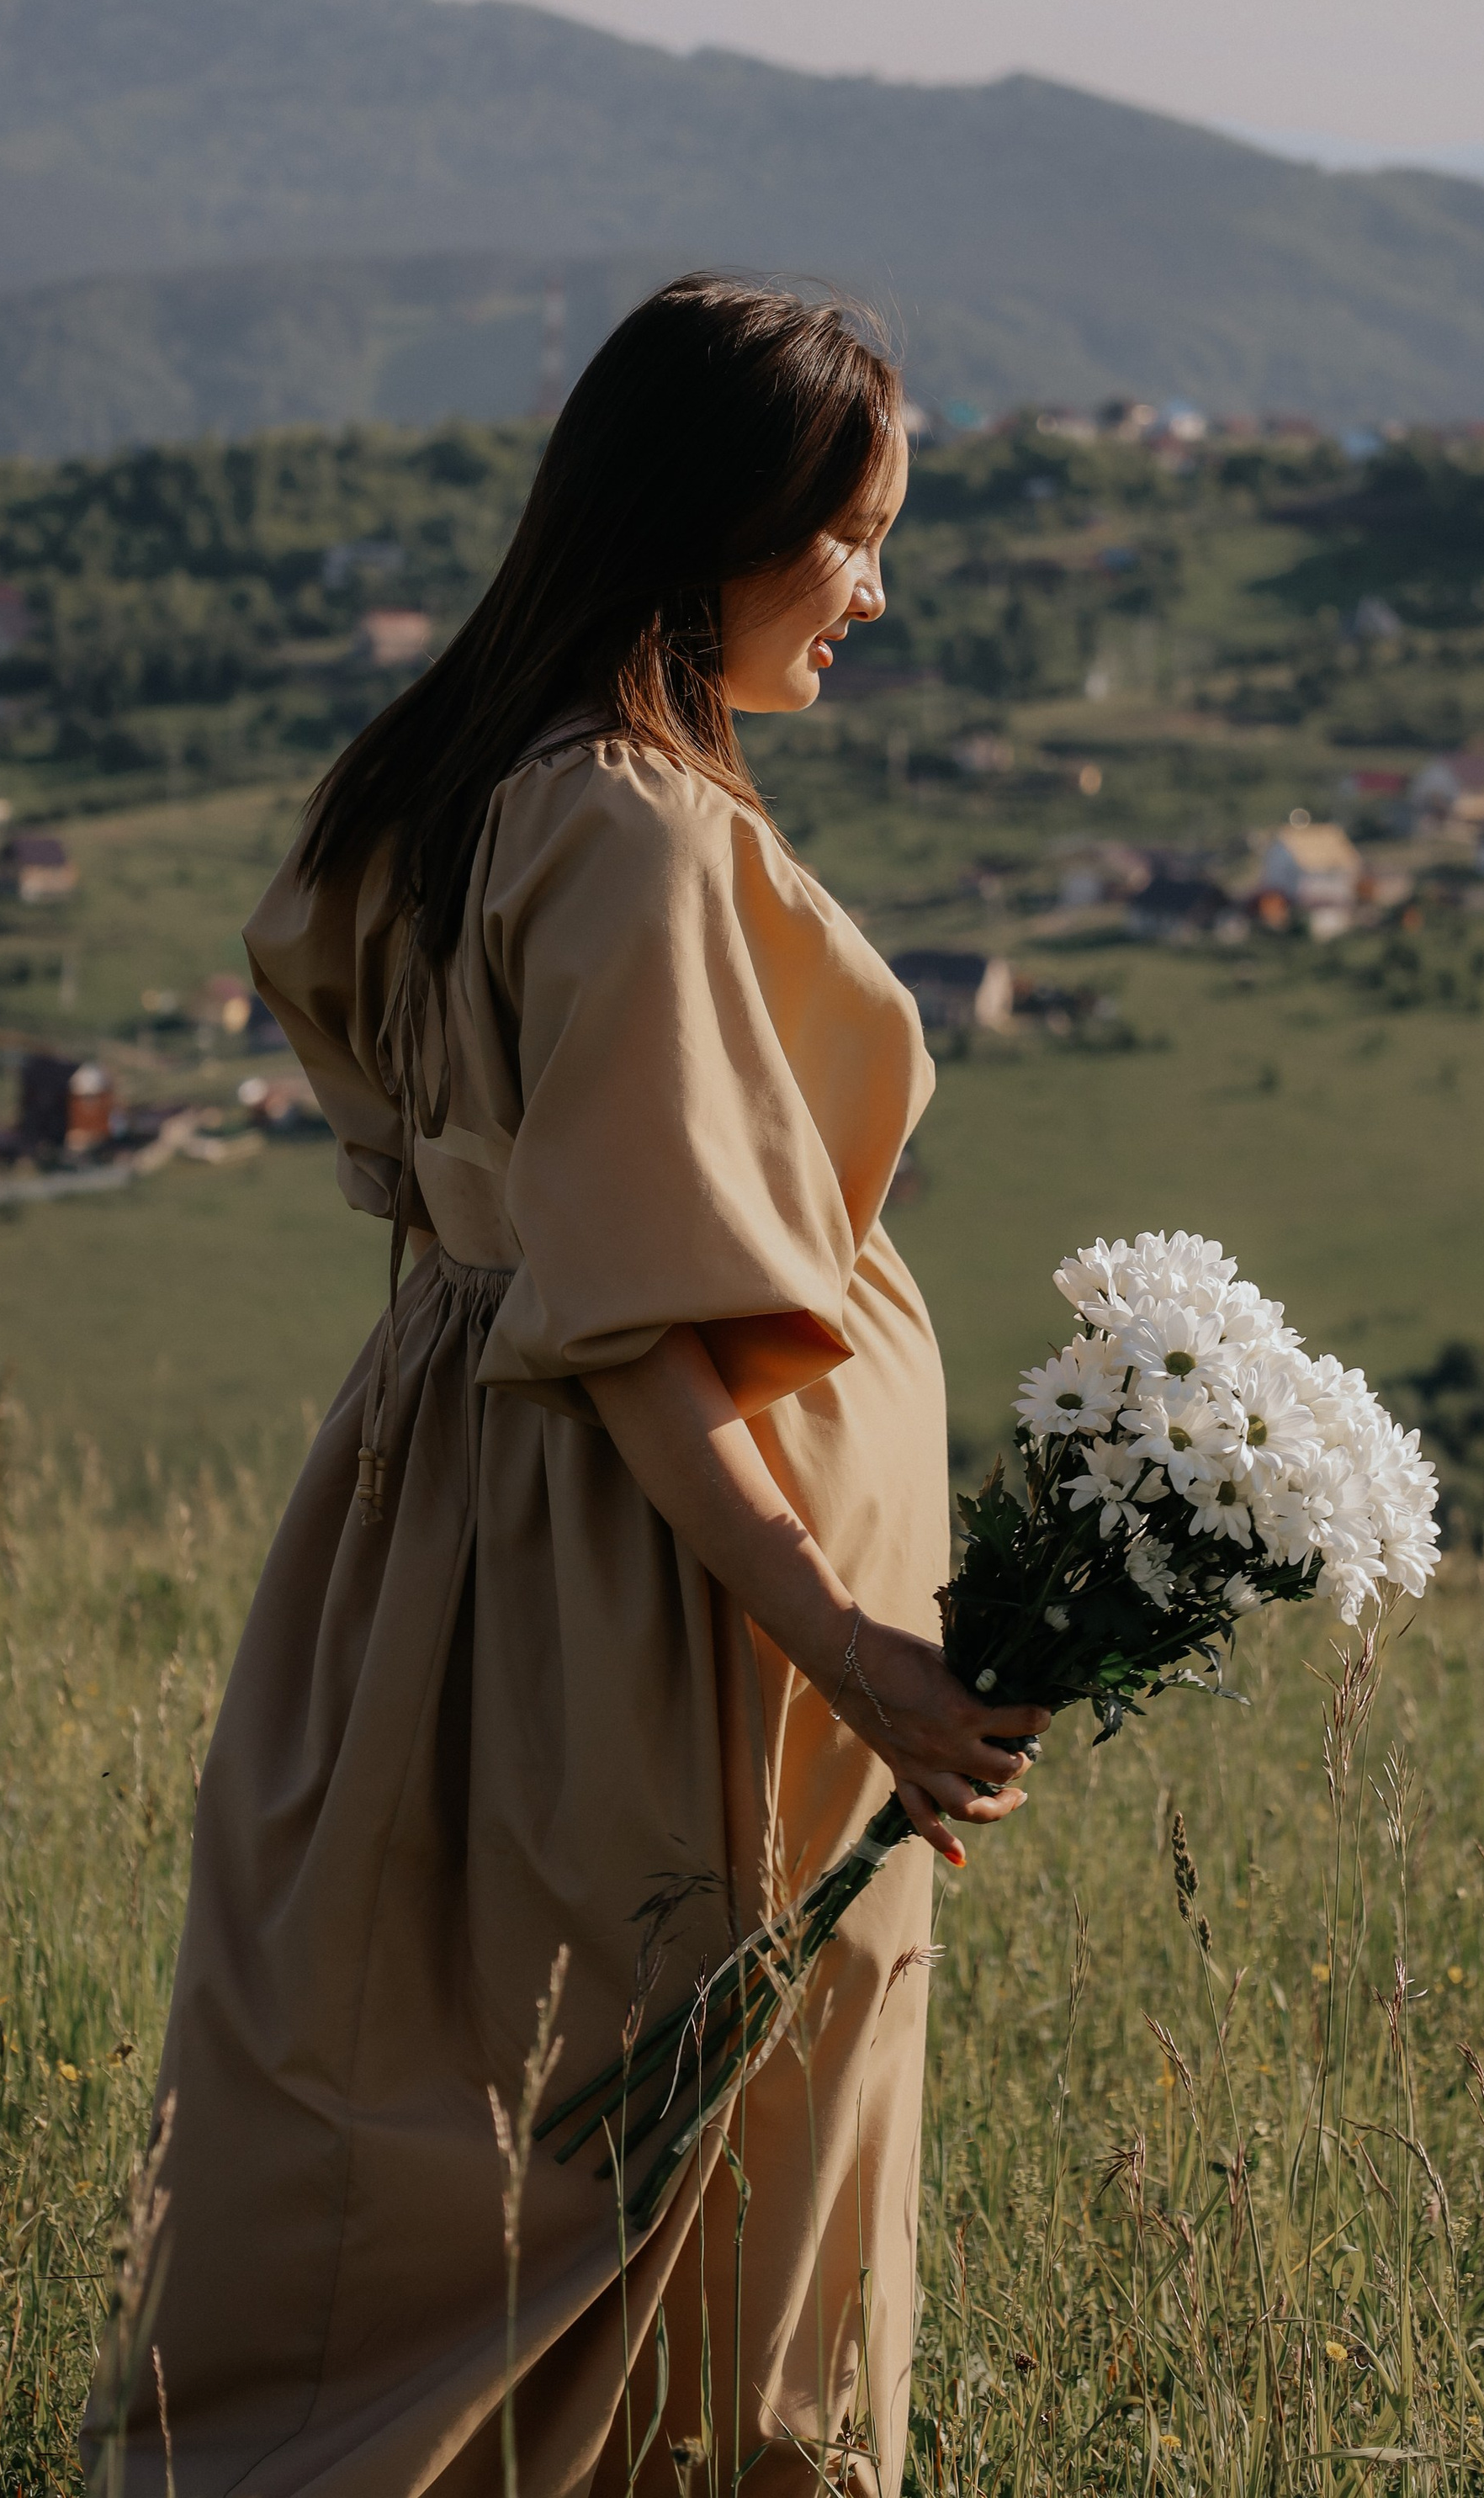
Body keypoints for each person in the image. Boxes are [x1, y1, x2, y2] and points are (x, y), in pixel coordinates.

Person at [87, 277, 1047, 2496]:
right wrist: (851, 1646)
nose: (876, 591)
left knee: (442, 2148)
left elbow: (522, 1240)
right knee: (656, 2202)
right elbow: (636, 1327)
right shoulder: (629, 829)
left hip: (455, 1547)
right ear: (720, 519)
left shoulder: (461, 780)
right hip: (645, 1618)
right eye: (855, 531)